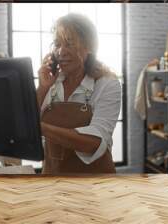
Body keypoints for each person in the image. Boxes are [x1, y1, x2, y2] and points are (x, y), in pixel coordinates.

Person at [36, 13, 122, 174]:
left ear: (89, 46)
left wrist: (40, 128)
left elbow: (94, 142)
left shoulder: (107, 84)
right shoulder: (50, 82)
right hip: (51, 178)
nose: (61, 52)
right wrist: (42, 88)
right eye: (57, 44)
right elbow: (25, 123)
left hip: (94, 183)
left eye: (69, 43)